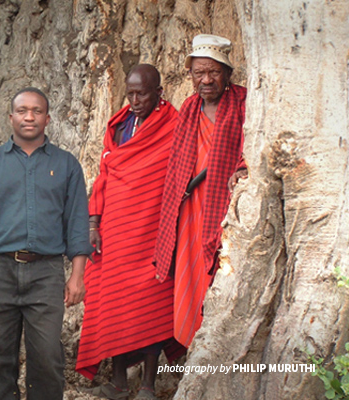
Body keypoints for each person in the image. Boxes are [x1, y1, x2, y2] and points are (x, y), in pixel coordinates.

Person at [0, 87, 93, 400]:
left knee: (47, 357)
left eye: (36, 111)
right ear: (11, 117)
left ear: (47, 118)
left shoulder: (66, 165)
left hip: (45, 273)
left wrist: (77, 275)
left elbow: (76, 222)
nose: (28, 117)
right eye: (22, 111)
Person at [76, 64, 184, 400]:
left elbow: (184, 171)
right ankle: (119, 380)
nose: (135, 100)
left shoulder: (174, 124)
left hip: (153, 230)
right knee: (116, 303)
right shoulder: (120, 125)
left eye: (143, 94)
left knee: (151, 304)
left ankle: (149, 385)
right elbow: (105, 173)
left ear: (159, 93)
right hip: (116, 231)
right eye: (131, 93)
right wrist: (93, 223)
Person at [154, 34, 248, 350]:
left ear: (227, 73)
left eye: (213, 72)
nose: (206, 80)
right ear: (191, 75)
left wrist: (243, 168)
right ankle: (189, 342)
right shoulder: (190, 107)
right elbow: (178, 160)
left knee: (221, 276)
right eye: (199, 73)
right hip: (190, 206)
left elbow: (255, 146)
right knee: (189, 274)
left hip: (225, 207)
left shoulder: (244, 103)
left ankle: (215, 346)